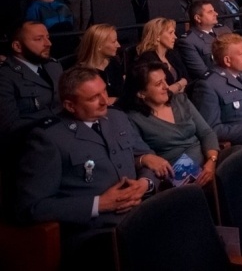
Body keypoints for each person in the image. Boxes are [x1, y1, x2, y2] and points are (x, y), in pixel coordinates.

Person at [15, 67, 157, 269]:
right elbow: (30, 208)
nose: (104, 101)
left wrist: (145, 183)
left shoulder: (117, 118)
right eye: (93, 98)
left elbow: (147, 157)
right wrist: (99, 204)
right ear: (70, 105)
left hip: (139, 216)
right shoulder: (48, 138)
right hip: (95, 234)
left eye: (104, 91)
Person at [117, 61, 220, 187]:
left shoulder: (180, 100)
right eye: (158, 84)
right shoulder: (133, 119)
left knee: (237, 156)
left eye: (165, 80)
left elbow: (206, 133)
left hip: (208, 159)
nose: (166, 86)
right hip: (179, 177)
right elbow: (144, 156)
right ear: (141, 93)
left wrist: (211, 161)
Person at [0, 21, 63, 142]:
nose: (48, 43)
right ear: (17, 46)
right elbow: (9, 127)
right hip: (34, 142)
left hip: (66, 133)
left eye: (48, 37)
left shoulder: (53, 66)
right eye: (39, 39)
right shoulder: (5, 77)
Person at [176, 0, 232, 81]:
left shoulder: (223, 29)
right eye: (210, 12)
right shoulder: (188, 41)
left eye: (214, 10)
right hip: (217, 82)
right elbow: (202, 73)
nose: (216, 13)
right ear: (198, 18)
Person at [134, 17, 188, 95]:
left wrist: (178, 85)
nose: (175, 37)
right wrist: (179, 85)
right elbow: (163, 91)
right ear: (157, 36)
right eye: (170, 33)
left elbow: (186, 77)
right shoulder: (147, 60)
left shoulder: (172, 54)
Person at [76, 24, 124, 102]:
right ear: (99, 46)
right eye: (113, 42)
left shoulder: (114, 62)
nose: (118, 45)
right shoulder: (82, 74)